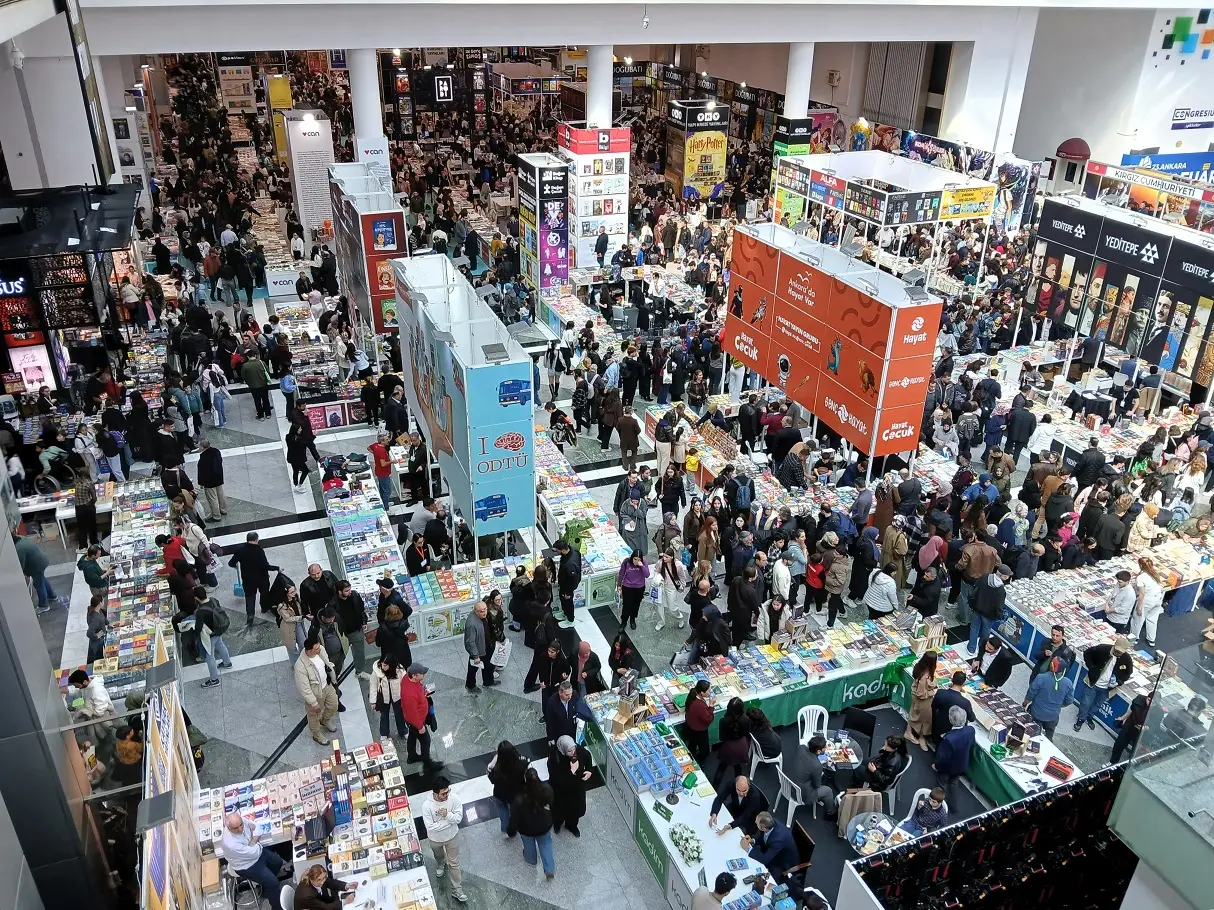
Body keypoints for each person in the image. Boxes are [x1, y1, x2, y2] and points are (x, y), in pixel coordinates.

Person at [220, 812, 289, 910]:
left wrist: (252, 841)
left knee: (277, 862)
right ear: (228, 827)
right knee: (273, 883)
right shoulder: (231, 844)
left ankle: (266, 887)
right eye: (236, 828)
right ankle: (277, 907)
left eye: (241, 825)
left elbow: (257, 827)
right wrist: (255, 839)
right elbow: (254, 852)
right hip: (246, 865)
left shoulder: (239, 821)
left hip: (256, 853)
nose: (240, 829)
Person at [422, 777, 468, 903]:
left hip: (453, 836)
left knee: (454, 863)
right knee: (439, 855)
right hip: (435, 839)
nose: (447, 795)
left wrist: (447, 815)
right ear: (435, 793)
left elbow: (458, 819)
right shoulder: (427, 806)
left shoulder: (454, 798)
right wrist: (449, 822)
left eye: (448, 791)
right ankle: (441, 863)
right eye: (443, 793)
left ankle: (457, 890)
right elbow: (430, 827)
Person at [1074, 637, 1134, 731]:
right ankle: (1081, 718)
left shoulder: (1127, 659)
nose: (1118, 653)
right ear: (1114, 645)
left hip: (1108, 688)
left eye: (1120, 652)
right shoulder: (1102, 649)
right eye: (1117, 650)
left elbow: (1128, 673)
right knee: (1086, 702)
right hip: (1093, 682)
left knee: (1098, 704)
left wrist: (1119, 681)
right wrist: (1092, 667)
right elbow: (1087, 653)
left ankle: (1089, 717)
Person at [509, 768, 556, 879]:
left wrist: (511, 831)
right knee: (546, 845)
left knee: (528, 845)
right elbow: (552, 805)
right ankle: (549, 869)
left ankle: (531, 860)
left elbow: (514, 817)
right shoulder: (546, 790)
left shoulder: (519, 799)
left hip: (526, 828)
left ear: (525, 779)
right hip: (543, 825)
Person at [294, 634, 339, 744]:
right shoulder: (300, 666)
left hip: (327, 686)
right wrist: (313, 703)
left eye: (319, 646)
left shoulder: (321, 650)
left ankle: (326, 720)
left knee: (334, 705)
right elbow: (304, 688)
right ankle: (316, 734)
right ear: (309, 650)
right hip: (315, 694)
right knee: (314, 716)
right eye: (316, 648)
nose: (319, 649)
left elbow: (327, 663)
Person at [228, 532, 279, 625]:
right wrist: (277, 568)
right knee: (264, 593)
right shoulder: (259, 551)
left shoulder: (240, 550)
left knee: (250, 597)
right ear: (256, 540)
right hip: (262, 579)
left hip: (248, 580)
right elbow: (265, 566)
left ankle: (250, 615)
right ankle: (264, 608)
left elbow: (231, 563)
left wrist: (236, 565)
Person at [548, 734, 594, 836]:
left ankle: (572, 826)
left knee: (575, 811)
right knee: (559, 811)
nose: (573, 753)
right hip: (561, 792)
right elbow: (556, 780)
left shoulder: (578, 750)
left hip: (576, 789)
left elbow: (587, 756)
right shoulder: (554, 758)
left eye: (573, 749)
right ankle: (557, 824)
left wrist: (589, 770)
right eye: (569, 751)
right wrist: (571, 771)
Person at [400, 662, 443, 769]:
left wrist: (423, 694)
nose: (424, 675)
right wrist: (420, 727)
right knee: (425, 741)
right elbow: (411, 714)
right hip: (416, 721)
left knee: (412, 735)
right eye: (422, 674)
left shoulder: (407, 677)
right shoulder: (409, 695)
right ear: (414, 675)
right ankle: (428, 764)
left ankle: (412, 756)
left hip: (416, 719)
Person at [932, 706, 974, 803]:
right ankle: (953, 805)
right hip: (961, 765)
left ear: (951, 720)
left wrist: (936, 766)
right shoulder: (970, 730)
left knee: (940, 785)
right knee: (954, 783)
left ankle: (937, 803)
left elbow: (943, 758)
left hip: (947, 769)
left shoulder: (948, 739)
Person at [1025, 656, 1074, 738]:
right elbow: (1069, 700)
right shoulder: (1068, 683)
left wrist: (1025, 703)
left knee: (1032, 736)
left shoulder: (1041, 677)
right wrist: (1059, 705)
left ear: (1052, 665)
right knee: (1049, 738)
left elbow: (1031, 693)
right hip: (1052, 716)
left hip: (1037, 713)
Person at [968, 564, 1011, 657]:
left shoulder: (985, 577)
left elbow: (976, 589)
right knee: (986, 631)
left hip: (977, 607)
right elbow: (999, 606)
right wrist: (999, 616)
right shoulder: (1000, 589)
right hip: (989, 614)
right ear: (1002, 576)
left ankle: (971, 649)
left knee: (974, 628)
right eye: (1007, 575)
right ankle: (981, 648)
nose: (1008, 577)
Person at [194, 587, 234, 688]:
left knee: (209, 656)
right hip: (219, 629)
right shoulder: (214, 600)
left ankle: (214, 679)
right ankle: (227, 663)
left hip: (211, 635)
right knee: (220, 644)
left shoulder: (200, 612)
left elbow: (198, 628)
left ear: (196, 598)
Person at [743, 812, 798, 880]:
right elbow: (761, 835)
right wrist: (752, 840)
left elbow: (765, 859)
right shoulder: (770, 823)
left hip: (781, 863)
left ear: (763, 828)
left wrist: (748, 849)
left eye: (756, 822)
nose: (755, 822)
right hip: (772, 851)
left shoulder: (777, 841)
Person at [15, 532, 59, 613]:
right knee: (42, 580)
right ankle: (52, 596)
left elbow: (20, 564)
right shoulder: (20, 537)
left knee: (39, 585)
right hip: (41, 560)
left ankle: (43, 605)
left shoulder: (18, 548)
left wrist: (23, 575)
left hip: (36, 566)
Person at [713, 696, 751, 787]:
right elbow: (747, 734)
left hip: (728, 748)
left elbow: (721, 738)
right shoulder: (746, 719)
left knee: (721, 768)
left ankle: (714, 788)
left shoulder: (723, 721)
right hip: (741, 746)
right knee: (738, 768)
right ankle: (740, 788)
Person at [369, 654, 408, 741]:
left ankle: (403, 731)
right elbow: (373, 686)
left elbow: (405, 683)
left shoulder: (400, 670)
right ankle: (384, 733)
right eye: (382, 664)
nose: (383, 667)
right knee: (384, 715)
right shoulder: (376, 671)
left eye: (385, 665)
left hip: (397, 696)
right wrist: (373, 701)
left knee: (399, 714)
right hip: (383, 697)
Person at [1129, 556, 1165, 648]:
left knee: (1137, 619)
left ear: (1141, 565)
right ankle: (1151, 639)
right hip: (1157, 599)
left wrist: (1139, 606)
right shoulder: (1155, 573)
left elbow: (1142, 594)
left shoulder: (1141, 578)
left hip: (1147, 601)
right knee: (1152, 619)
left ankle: (1133, 638)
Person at [463, 600, 497, 692]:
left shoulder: (482, 616)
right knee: (473, 668)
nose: (485, 612)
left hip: (486, 645)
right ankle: (470, 685)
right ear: (476, 611)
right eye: (482, 611)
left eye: (485, 609)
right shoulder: (471, 623)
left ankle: (488, 681)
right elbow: (470, 642)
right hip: (478, 650)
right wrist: (475, 655)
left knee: (488, 665)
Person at [544, 680, 592, 745]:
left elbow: (579, 706)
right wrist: (550, 738)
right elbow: (549, 721)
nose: (570, 697)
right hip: (559, 733)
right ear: (560, 693)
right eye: (567, 695)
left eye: (570, 693)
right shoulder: (552, 702)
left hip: (572, 730)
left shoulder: (574, 695)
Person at [931, 671, 975, 741]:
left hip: (938, 730)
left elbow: (933, 707)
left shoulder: (940, 693)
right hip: (953, 735)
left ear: (952, 680)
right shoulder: (965, 702)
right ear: (963, 684)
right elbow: (972, 718)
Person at [907, 651, 938, 749]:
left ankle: (912, 734)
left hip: (919, 698)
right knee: (924, 719)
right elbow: (921, 694)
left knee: (915, 715)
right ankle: (920, 737)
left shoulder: (920, 668)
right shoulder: (924, 677)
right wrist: (933, 692)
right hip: (923, 700)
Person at [1111, 693, 1150, 764]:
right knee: (1119, 744)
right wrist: (1122, 718)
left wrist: (1145, 728)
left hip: (1141, 733)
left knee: (1135, 751)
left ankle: (1129, 766)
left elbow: (1153, 725)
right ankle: (1113, 762)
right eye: (1148, 700)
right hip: (1130, 726)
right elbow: (1131, 710)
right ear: (1147, 697)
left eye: (1152, 702)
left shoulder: (1157, 711)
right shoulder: (1139, 699)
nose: (1149, 703)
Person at [617, 549, 650, 631]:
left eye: (638, 560)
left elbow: (647, 575)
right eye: (635, 559)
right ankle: (623, 622)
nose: (636, 561)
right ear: (632, 558)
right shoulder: (626, 562)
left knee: (636, 605)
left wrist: (641, 565)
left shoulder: (643, 562)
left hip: (639, 587)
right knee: (626, 605)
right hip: (627, 586)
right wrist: (619, 585)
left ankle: (633, 619)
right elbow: (621, 573)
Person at [683, 679, 714, 764]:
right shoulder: (699, 705)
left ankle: (690, 760)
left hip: (690, 726)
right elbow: (708, 719)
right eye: (708, 691)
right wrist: (711, 706)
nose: (710, 693)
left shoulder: (693, 697)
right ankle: (699, 762)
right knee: (705, 751)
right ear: (702, 693)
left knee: (692, 746)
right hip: (699, 731)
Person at [196, 439, 227, 521]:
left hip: (209, 481)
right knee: (220, 494)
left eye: (199, 446)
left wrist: (201, 483)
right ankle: (223, 509)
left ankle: (216, 515)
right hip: (218, 477)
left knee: (212, 498)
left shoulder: (203, 458)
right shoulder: (216, 451)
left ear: (202, 447)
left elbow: (202, 472)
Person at [553, 538, 582, 622]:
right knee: (563, 600)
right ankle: (565, 613)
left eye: (557, 550)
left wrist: (568, 592)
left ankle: (570, 620)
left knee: (568, 602)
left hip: (567, 587)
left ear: (562, 550)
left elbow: (572, 579)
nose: (556, 552)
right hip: (564, 584)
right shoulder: (574, 550)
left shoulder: (570, 564)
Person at [368, 430, 394, 508]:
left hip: (378, 472)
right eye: (386, 440)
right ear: (382, 441)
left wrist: (375, 454)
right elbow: (383, 464)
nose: (388, 440)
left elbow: (368, 448)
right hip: (383, 473)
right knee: (387, 491)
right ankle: (386, 507)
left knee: (382, 489)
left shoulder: (375, 446)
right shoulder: (382, 451)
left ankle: (384, 502)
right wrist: (392, 461)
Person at [85, 594, 108, 663]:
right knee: (98, 658)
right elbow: (89, 633)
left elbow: (102, 619)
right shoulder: (95, 618)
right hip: (97, 642)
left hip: (99, 640)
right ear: (100, 603)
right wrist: (97, 635)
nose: (104, 603)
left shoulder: (97, 611)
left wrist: (108, 623)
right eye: (103, 601)